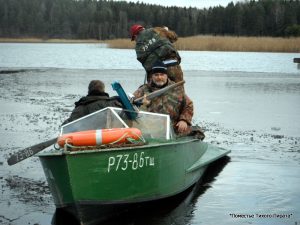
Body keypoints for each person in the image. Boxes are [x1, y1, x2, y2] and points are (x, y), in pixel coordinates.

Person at [133, 61, 193, 135]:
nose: (159, 77)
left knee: (196, 133)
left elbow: (188, 105)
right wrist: (143, 105)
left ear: (166, 75)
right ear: (152, 76)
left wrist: (184, 120)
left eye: (162, 74)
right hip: (150, 128)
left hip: (173, 127)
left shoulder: (177, 89)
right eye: (156, 75)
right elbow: (131, 107)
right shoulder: (143, 90)